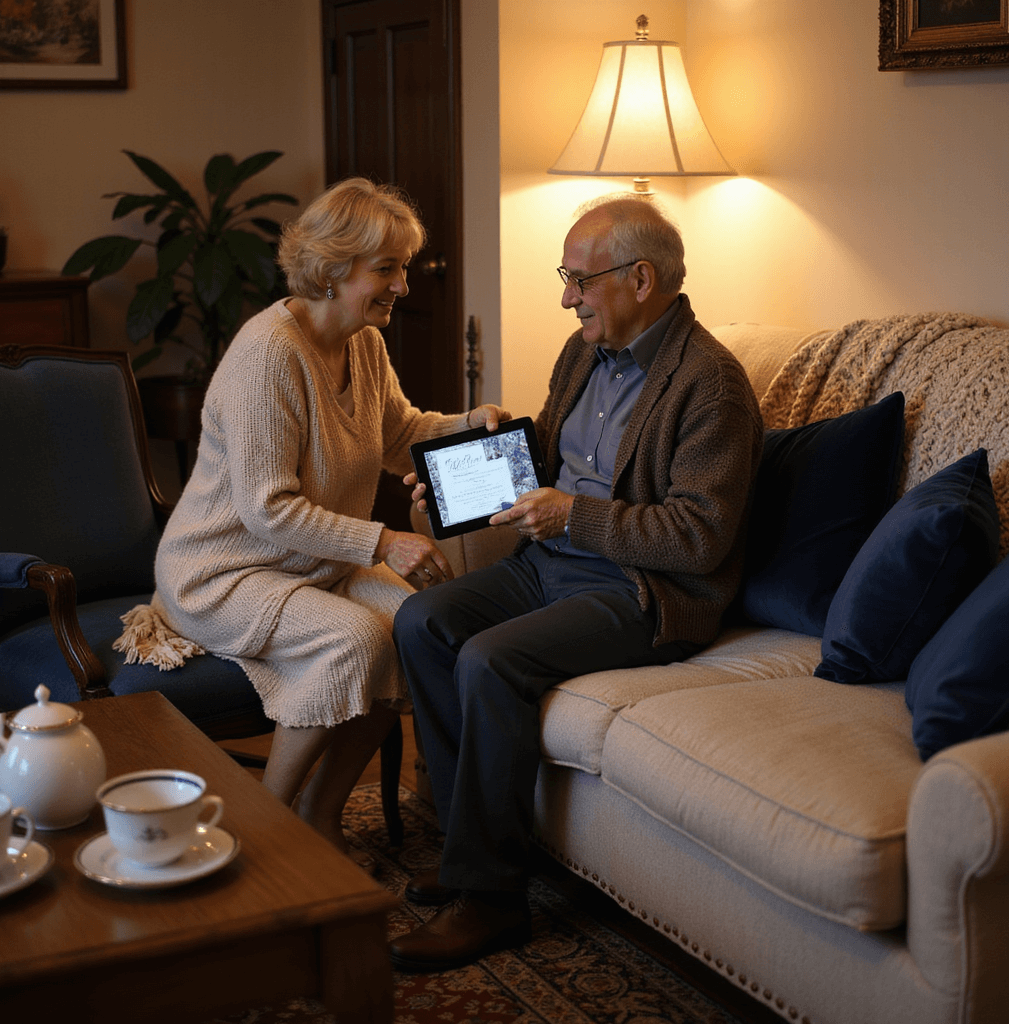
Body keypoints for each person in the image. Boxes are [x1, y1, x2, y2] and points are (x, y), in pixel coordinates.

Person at [389, 194, 764, 971]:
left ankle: (491, 899)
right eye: (565, 278)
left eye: (578, 280)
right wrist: (463, 488)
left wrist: (573, 518)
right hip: (549, 567)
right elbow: (551, 463)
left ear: (641, 278)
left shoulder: (711, 387)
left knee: (488, 660)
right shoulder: (581, 352)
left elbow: (699, 537)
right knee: (421, 620)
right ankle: (471, 846)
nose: (567, 297)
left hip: (644, 591)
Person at [115, 177, 508, 869]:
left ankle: (319, 814)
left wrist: (470, 424)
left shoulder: (362, 342)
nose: (404, 286)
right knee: (356, 639)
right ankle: (266, 828)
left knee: (413, 630)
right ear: (332, 268)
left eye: (404, 268)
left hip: (313, 563)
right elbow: (269, 509)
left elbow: (400, 433)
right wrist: (387, 541)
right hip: (225, 572)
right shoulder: (268, 352)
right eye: (385, 269)